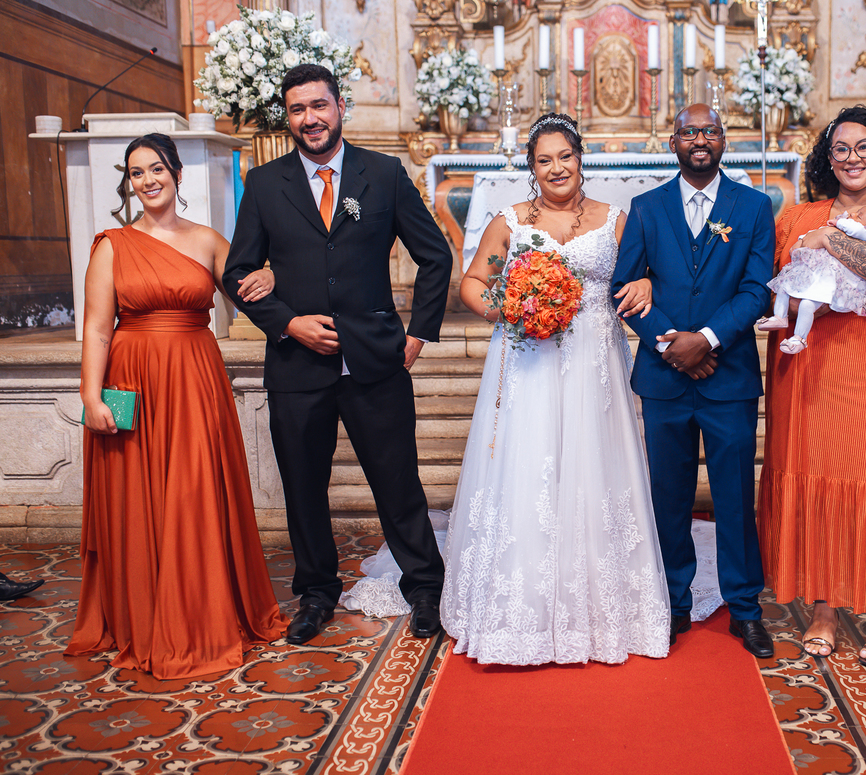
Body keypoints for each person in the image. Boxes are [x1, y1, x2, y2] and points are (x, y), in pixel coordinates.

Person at [222, 64, 453, 645]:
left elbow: (435, 255)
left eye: (319, 106)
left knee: (398, 483)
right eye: (298, 109)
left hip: (376, 360)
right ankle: (316, 593)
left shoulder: (384, 173)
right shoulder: (264, 183)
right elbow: (237, 272)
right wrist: (288, 323)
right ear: (288, 117)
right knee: (303, 488)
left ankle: (425, 587)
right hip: (297, 367)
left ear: (340, 106)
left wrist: (419, 333)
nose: (310, 119)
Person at [436, 113, 670, 665]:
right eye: (544, 160)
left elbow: (648, 276)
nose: (556, 168)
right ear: (532, 167)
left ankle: (603, 607)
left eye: (565, 156)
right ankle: (523, 612)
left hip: (594, 363)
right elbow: (474, 282)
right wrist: (510, 310)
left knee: (595, 465)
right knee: (531, 467)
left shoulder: (615, 220)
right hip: (530, 363)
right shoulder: (511, 222)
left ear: (580, 157)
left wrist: (644, 281)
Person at [67, 133, 288, 680]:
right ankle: (145, 613)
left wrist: (273, 273)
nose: (148, 180)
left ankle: (199, 611)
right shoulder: (112, 246)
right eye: (136, 173)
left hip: (194, 378)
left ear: (177, 173)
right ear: (129, 183)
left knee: (194, 491)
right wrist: (90, 395)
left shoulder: (209, 241)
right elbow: (97, 328)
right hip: (132, 378)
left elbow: (248, 290)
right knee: (139, 497)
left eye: (157, 168)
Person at [757, 106, 866, 669]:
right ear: (827, 157)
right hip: (806, 364)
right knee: (816, 481)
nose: (852, 158)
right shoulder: (797, 214)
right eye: (841, 148)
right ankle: (825, 609)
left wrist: (832, 241)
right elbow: (775, 283)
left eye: (864, 147)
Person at [612, 104, 776, 659]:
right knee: (669, 497)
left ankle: (745, 608)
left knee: (735, 498)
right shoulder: (646, 208)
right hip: (665, 380)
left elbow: (757, 289)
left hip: (729, 377)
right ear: (673, 142)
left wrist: (705, 339)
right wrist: (671, 346)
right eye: (689, 132)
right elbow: (623, 286)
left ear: (723, 140)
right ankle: (672, 602)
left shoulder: (754, 207)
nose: (699, 139)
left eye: (709, 131)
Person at [758, 191, 866, 353]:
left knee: (807, 304)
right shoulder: (797, 214)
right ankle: (781, 318)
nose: (854, 214)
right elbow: (760, 288)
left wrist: (827, 235)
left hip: (863, 353)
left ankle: (799, 338)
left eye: (859, 216)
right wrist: (778, 305)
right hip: (790, 361)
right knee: (784, 287)